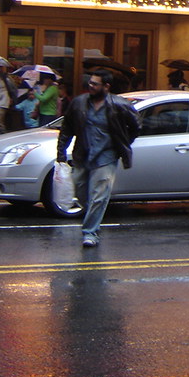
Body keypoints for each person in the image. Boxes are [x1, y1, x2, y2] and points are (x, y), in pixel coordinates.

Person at [56, 70, 140, 247]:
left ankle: (90, 232)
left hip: (106, 157)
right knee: (79, 190)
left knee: (99, 196)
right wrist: (61, 152)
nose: (90, 86)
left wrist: (123, 143)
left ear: (106, 87)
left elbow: (136, 125)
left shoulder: (119, 104)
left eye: (95, 84)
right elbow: (67, 128)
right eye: (90, 82)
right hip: (82, 155)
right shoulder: (79, 103)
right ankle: (94, 216)